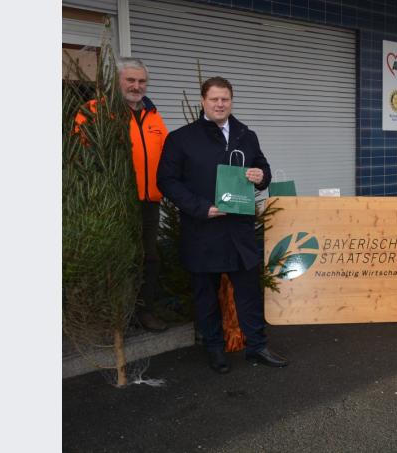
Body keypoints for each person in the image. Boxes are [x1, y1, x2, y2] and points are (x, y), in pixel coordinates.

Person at [157, 76, 288, 373]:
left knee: (249, 293)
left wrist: (260, 176)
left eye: (225, 99)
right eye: (214, 99)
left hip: (239, 231)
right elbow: (166, 181)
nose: (220, 104)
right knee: (206, 296)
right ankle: (215, 349)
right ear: (203, 101)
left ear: (231, 101)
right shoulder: (181, 138)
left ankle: (257, 346)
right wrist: (200, 208)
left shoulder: (246, 135)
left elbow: (263, 168)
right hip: (202, 230)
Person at [75, 57, 169, 332]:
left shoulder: (153, 116)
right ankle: (114, 318)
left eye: (141, 81)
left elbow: (167, 156)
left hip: (149, 202)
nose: (136, 86)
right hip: (111, 204)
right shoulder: (95, 112)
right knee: (115, 259)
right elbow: (78, 157)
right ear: (116, 81)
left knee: (148, 258)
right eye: (130, 80)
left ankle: (144, 311)